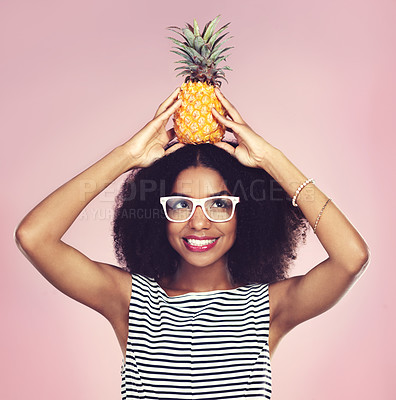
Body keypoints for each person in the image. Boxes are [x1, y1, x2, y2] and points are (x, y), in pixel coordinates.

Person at [15, 87, 370, 399]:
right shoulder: (130, 301)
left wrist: (270, 160)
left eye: (219, 203)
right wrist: (128, 156)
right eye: (181, 204)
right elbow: (34, 237)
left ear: (242, 214)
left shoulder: (269, 307)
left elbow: (351, 258)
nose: (199, 223)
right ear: (159, 214)